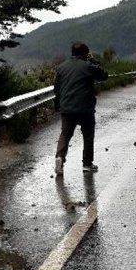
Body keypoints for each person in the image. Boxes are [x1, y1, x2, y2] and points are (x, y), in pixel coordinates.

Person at [53, 42, 109, 176]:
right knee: (88, 135)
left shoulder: (61, 67)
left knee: (65, 134)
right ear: (85, 54)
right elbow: (104, 76)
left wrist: (59, 105)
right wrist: (94, 61)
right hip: (85, 108)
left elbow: (56, 89)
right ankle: (87, 164)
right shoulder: (88, 66)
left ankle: (60, 157)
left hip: (67, 107)